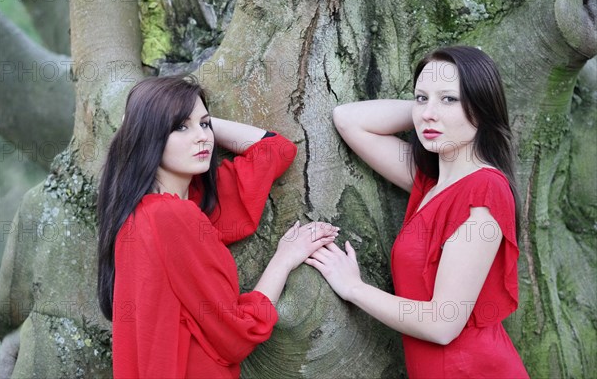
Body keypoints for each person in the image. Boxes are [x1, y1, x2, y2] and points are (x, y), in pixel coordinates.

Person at [306, 46, 529, 378]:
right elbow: (348, 120)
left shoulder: (485, 190)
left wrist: (354, 288)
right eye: (421, 98)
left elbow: (442, 324)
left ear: (481, 108)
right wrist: (430, 106)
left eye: (450, 99)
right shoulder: (430, 184)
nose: (428, 114)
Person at [96, 75, 339, 378]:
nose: (202, 137)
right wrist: (285, 258)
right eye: (180, 127)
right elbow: (237, 335)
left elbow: (276, 150)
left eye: (204, 124)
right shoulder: (170, 218)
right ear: (148, 136)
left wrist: (194, 119)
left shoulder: (165, 208)